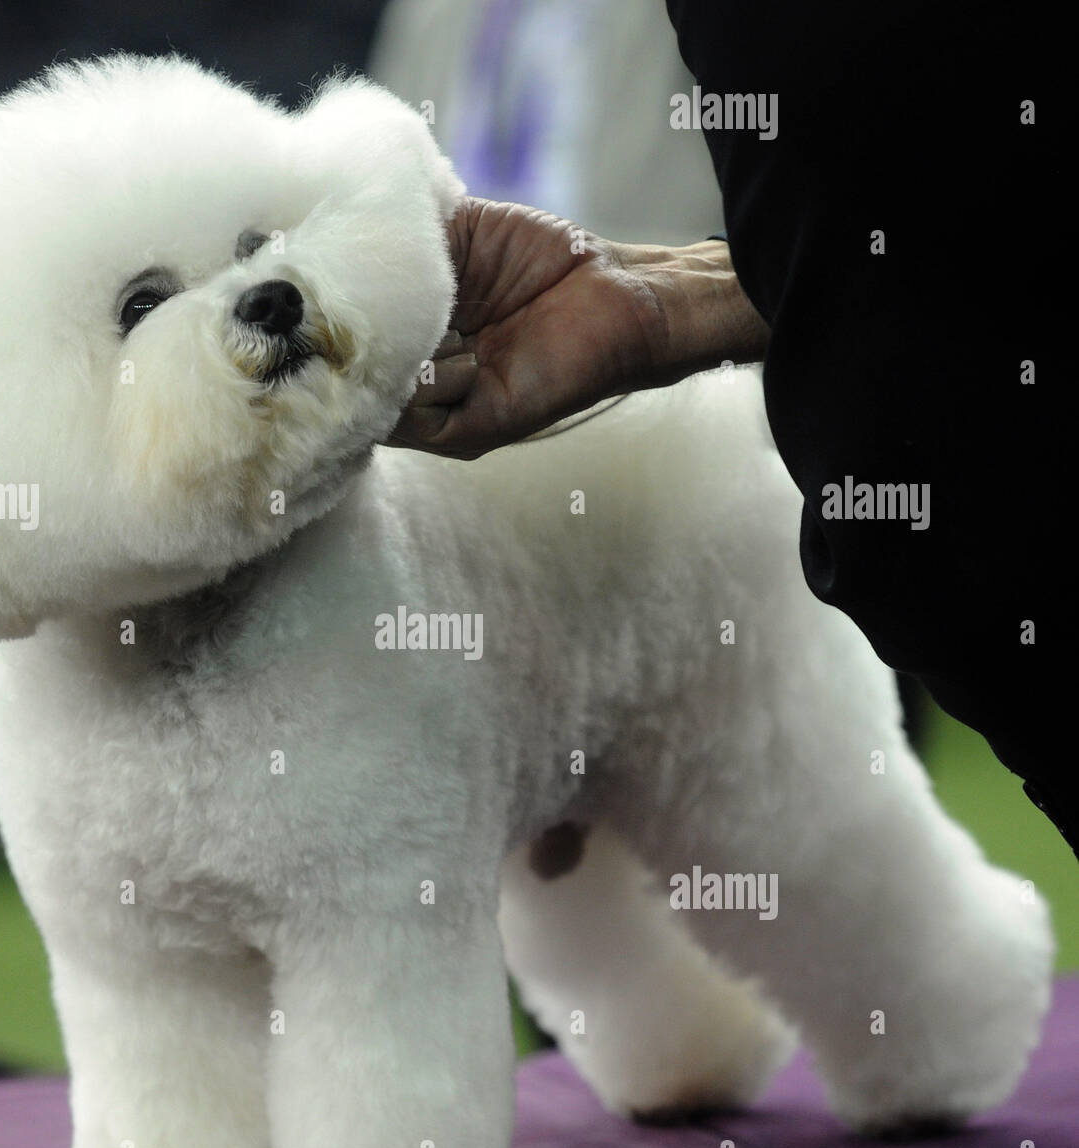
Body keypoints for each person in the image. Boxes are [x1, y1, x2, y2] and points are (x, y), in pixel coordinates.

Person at [391, 5, 1072, 854]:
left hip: (773, 490)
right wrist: (666, 299)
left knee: (821, 862)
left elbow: (923, 193)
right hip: (550, 493)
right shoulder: (436, 17)